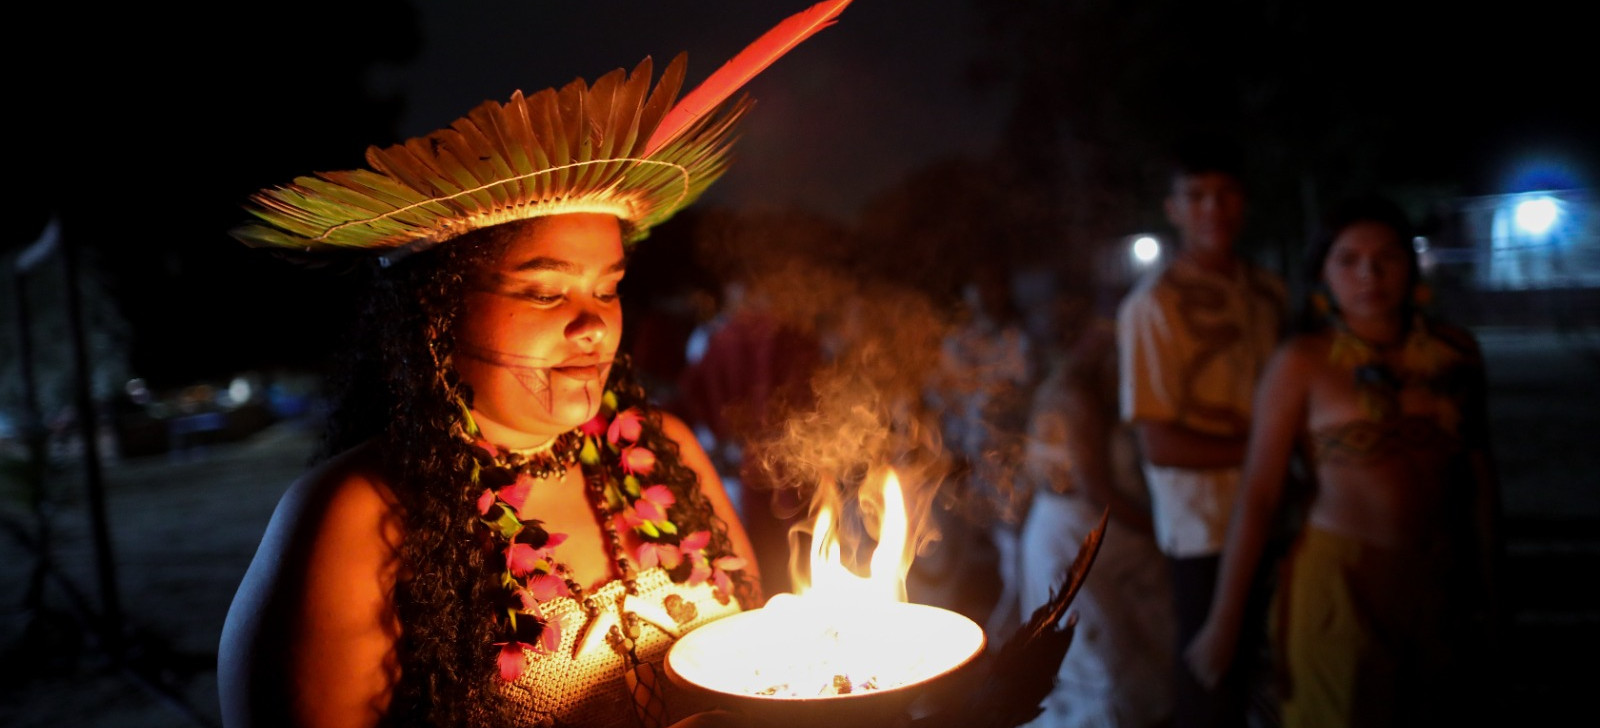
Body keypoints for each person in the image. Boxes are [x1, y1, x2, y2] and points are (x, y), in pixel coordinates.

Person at [215, 3, 855, 726]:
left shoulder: (667, 450)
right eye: (545, 292)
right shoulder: (358, 515)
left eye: (607, 288)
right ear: (441, 313)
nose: (591, 325)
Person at [1184, 195, 1504, 727]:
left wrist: (1495, 598)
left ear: (1412, 262)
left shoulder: (1456, 353)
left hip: (1440, 583)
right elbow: (1259, 496)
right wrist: (1225, 620)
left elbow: (1481, 480)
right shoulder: (1302, 364)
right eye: (1348, 259)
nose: (1369, 273)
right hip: (1341, 587)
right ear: (1323, 274)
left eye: (1387, 257)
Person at [1115, 137, 1287, 728]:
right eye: (1197, 196)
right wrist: (1268, 451)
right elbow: (1159, 443)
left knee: (1262, 673)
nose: (1214, 208)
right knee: (1210, 677)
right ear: (1173, 210)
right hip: (1204, 525)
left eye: (1226, 194)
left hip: (1275, 511)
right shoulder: (1153, 306)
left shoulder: (1268, 293)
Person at [1018, 290, 1175, 728]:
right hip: (1072, 535)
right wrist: (1157, 532)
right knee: (1098, 663)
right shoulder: (1075, 395)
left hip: (1075, 529)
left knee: (1113, 654)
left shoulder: (1090, 390)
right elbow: (1094, 488)